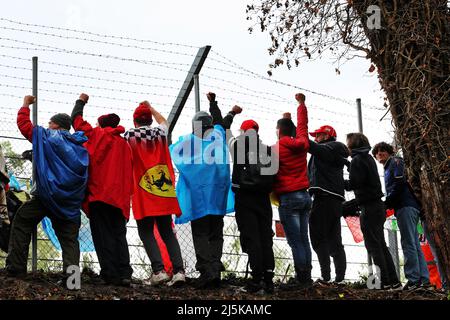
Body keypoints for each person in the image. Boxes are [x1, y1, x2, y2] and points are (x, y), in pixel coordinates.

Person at [6, 95, 88, 282]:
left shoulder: (48, 136)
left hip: (46, 196)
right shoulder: (79, 145)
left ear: (57, 125)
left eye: (50, 122)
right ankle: (73, 281)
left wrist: (26, 104)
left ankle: (16, 269)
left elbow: (25, 125)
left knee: (22, 221)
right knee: (69, 240)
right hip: (69, 202)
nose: (48, 125)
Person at [170, 92, 241, 289]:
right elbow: (223, 121)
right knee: (216, 233)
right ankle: (215, 268)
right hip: (218, 197)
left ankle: (207, 270)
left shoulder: (188, 141)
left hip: (199, 199)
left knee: (200, 233)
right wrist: (217, 105)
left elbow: (172, 151)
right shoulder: (218, 134)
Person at [71, 93, 133, 287]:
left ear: (101, 124)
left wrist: (81, 101)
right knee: (118, 235)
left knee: (102, 235)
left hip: (99, 194)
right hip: (119, 198)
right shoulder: (124, 144)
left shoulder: (96, 134)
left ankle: (110, 273)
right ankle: (125, 273)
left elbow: (76, 121)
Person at [125, 101, 185, 287]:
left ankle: (158, 271)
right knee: (167, 231)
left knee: (146, 231)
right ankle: (179, 272)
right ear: (150, 120)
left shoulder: (129, 135)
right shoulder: (160, 133)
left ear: (135, 121)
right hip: (163, 189)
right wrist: (150, 108)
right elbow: (164, 121)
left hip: (143, 189)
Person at [345, 133, 400, 290]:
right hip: (377, 207)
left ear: (353, 146)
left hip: (368, 208)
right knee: (380, 245)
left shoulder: (357, 160)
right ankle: (393, 281)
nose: (347, 148)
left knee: (373, 246)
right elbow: (364, 177)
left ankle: (384, 283)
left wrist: (340, 182)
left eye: (348, 145)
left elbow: (355, 182)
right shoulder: (368, 158)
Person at [372, 142, 431, 290]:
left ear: (389, 151)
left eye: (383, 150)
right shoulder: (388, 166)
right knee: (414, 244)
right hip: (406, 206)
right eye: (377, 152)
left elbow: (399, 182)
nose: (380, 154)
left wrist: (387, 202)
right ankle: (423, 280)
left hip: (406, 205)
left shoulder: (395, 161)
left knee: (408, 243)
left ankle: (413, 279)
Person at [230, 119, 277, 293]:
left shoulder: (238, 148)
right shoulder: (268, 150)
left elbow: (226, 132)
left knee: (252, 238)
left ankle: (256, 280)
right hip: (264, 200)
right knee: (265, 238)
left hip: (245, 198)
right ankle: (269, 279)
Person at [274, 93, 312, 287]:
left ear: (278, 131)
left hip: (288, 198)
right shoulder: (303, 144)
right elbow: (303, 128)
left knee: (295, 241)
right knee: (304, 240)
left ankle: (301, 278)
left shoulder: (275, 149)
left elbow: (269, 174)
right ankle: (307, 277)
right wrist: (301, 105)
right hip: (305, 196)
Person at [308, 125, 348, 285]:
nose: (314, 138)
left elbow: (311, 146)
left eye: (317, 135)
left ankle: (326, 277)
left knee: (318, 238)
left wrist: (298, 132)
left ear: (326, 136)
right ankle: (339, 278)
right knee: (334, 239)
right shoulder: (334, 151)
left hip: (324, 197)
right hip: (335, 200)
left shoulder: (329, 148)